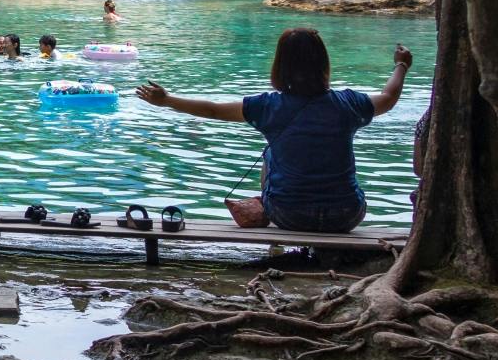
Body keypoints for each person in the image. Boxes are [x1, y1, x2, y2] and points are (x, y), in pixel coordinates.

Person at [134, 28, 412, 233]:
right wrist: (401, 65)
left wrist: (167, 100)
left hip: (289, 215)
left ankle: (274, 247)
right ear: (323, 62)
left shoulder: (268, 106)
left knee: (270, 154)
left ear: (280, 65)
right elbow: (388, 98)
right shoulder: (349, 103)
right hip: (347, 215)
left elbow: (213, 109)